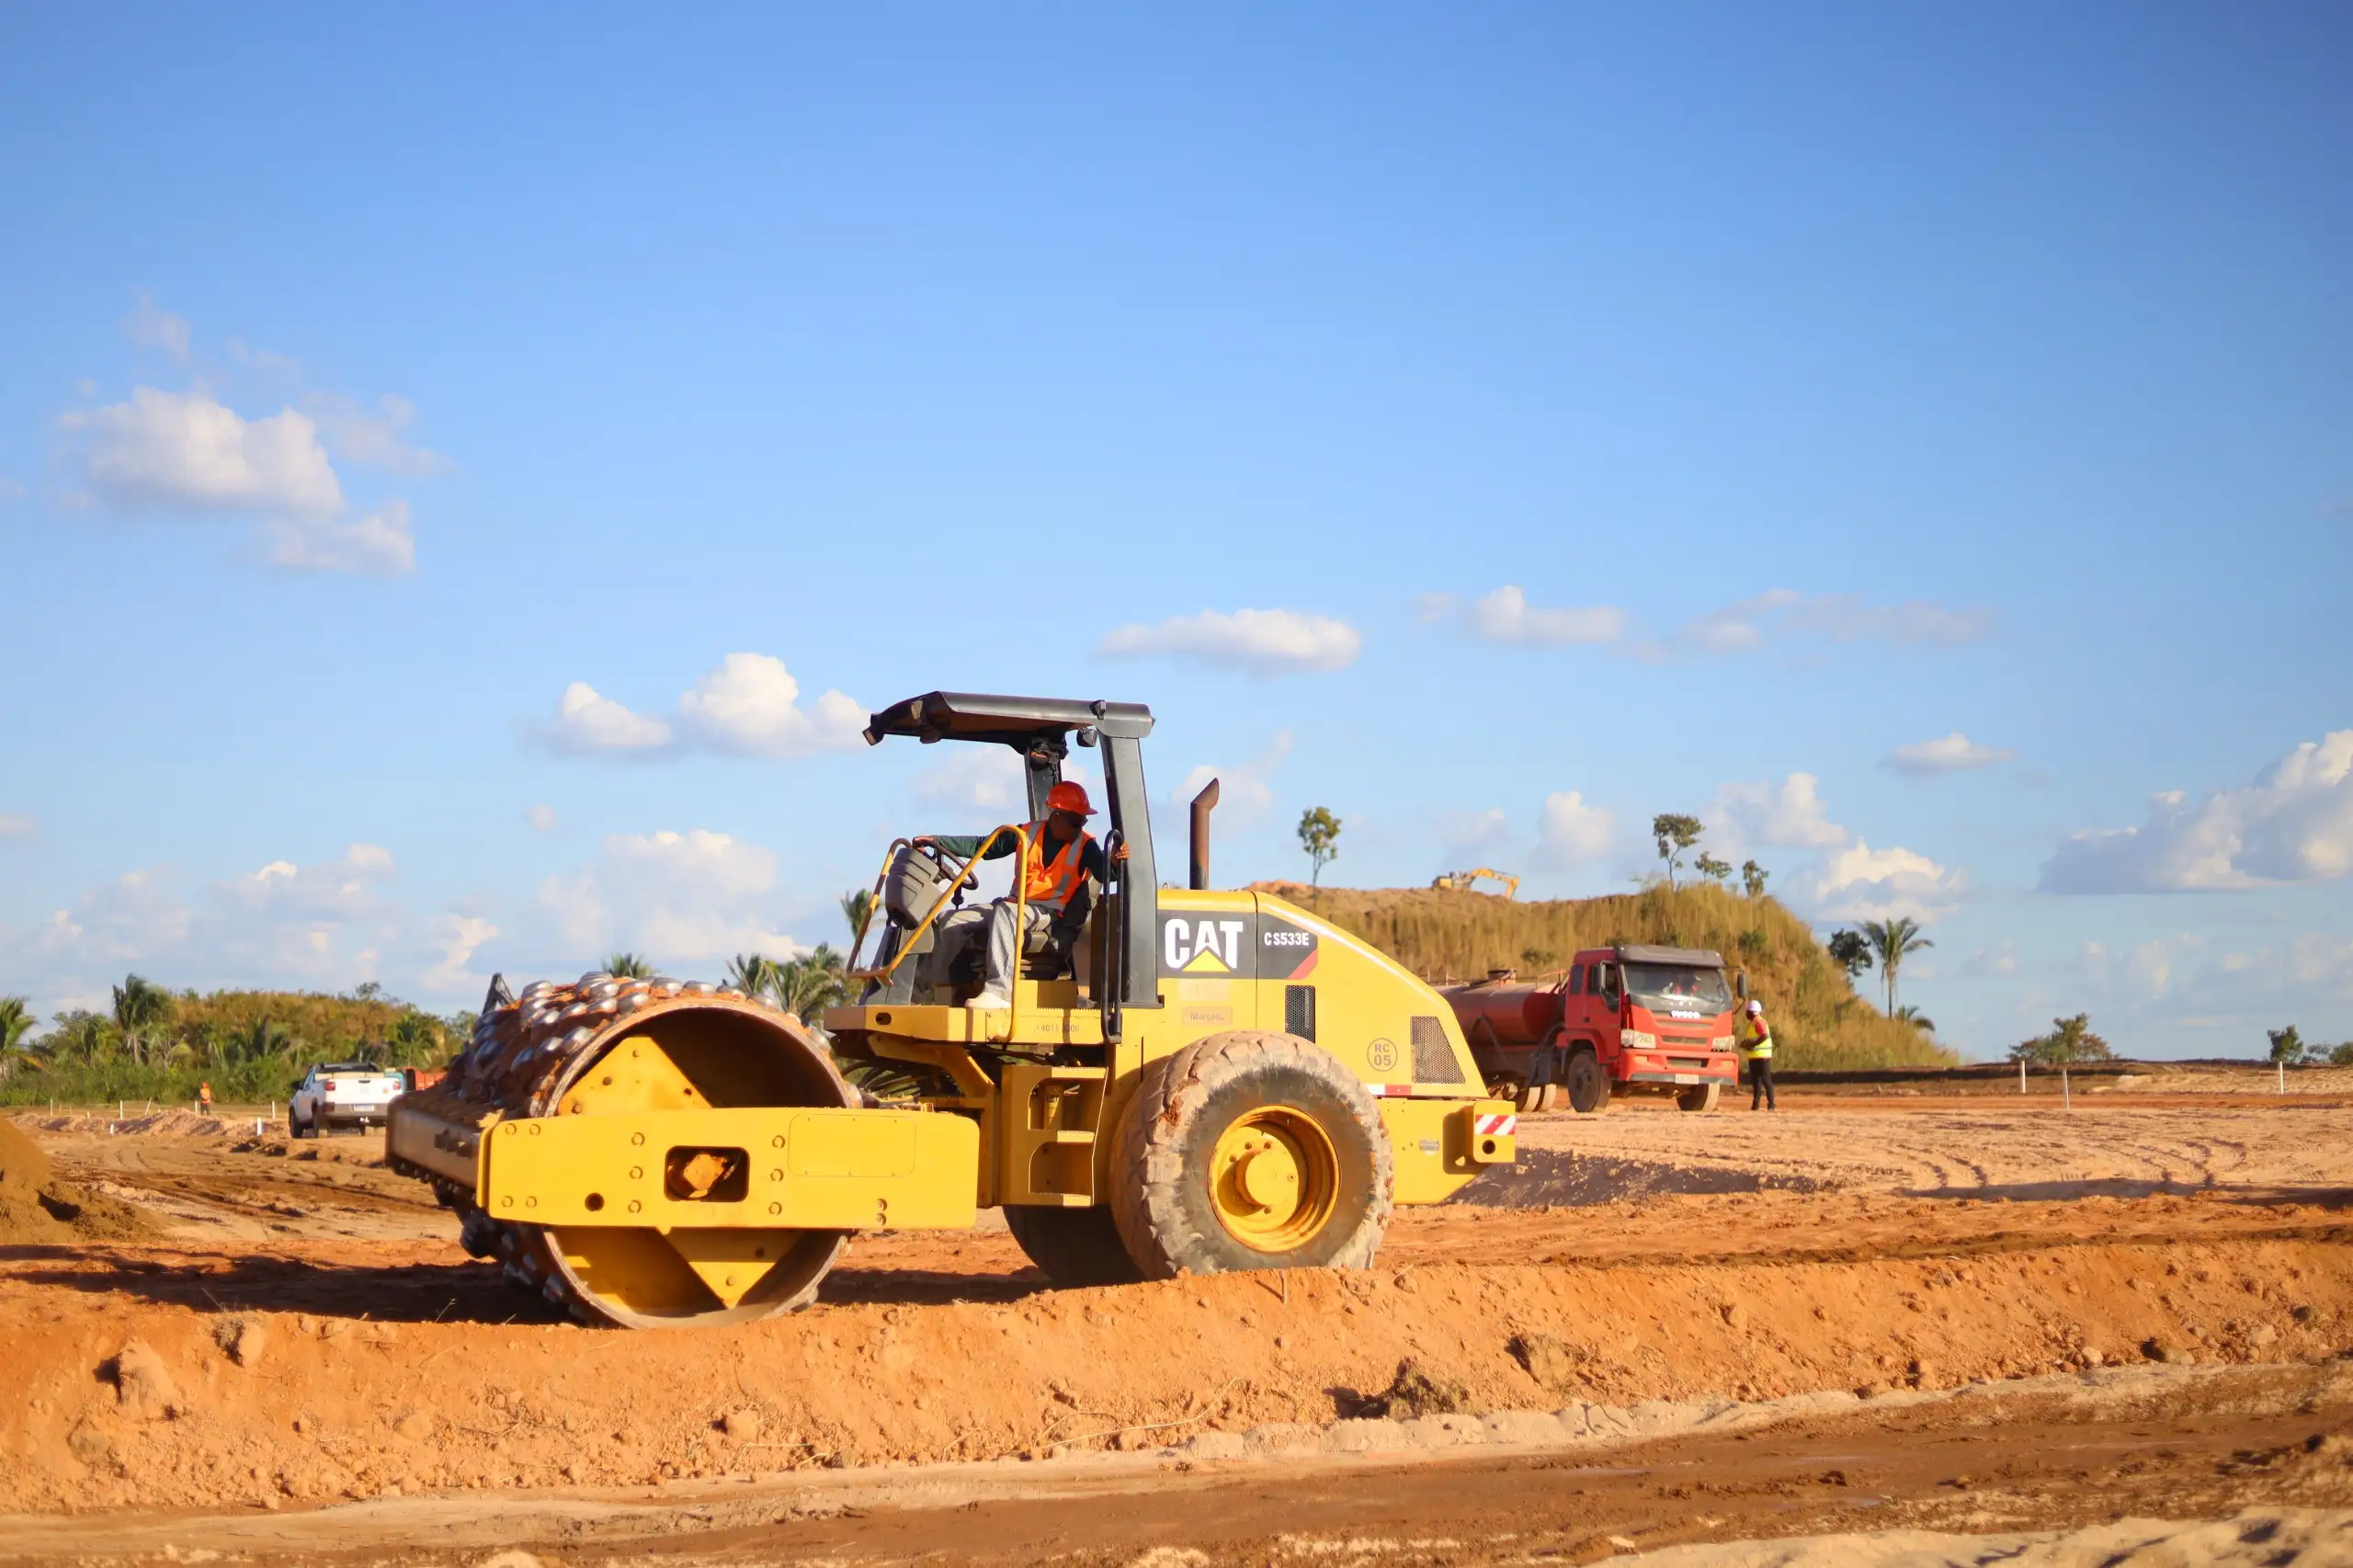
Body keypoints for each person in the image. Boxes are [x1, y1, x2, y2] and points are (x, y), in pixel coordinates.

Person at [920, 780, 1127, 1009]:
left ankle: (999, 992)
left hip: (1048, 913)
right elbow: (983, 846)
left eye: (1083, 820)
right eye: (1076, 820)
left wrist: (1116, 863)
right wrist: (936, 842)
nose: (1081, 826)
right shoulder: (1024, 833)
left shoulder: (1086, 845)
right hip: (1014, 905)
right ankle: (930, 991)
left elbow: (1106, 873)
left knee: (1007, 913)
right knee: (948, 921)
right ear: (1056, 815)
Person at [1737, 998, 1775, 1111]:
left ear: (1751, 1012)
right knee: (1756, 1083)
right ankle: (1755, 1105)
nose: (1746, 1014)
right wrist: (1746, 1044)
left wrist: (1753, 1044)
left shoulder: (1759, 1022)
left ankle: (1771, 1104)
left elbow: (1764, 1036)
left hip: (1762, 1057)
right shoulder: (1752, 1024)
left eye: (1748, 1011)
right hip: (1754, 1057)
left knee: (1766, 1081)